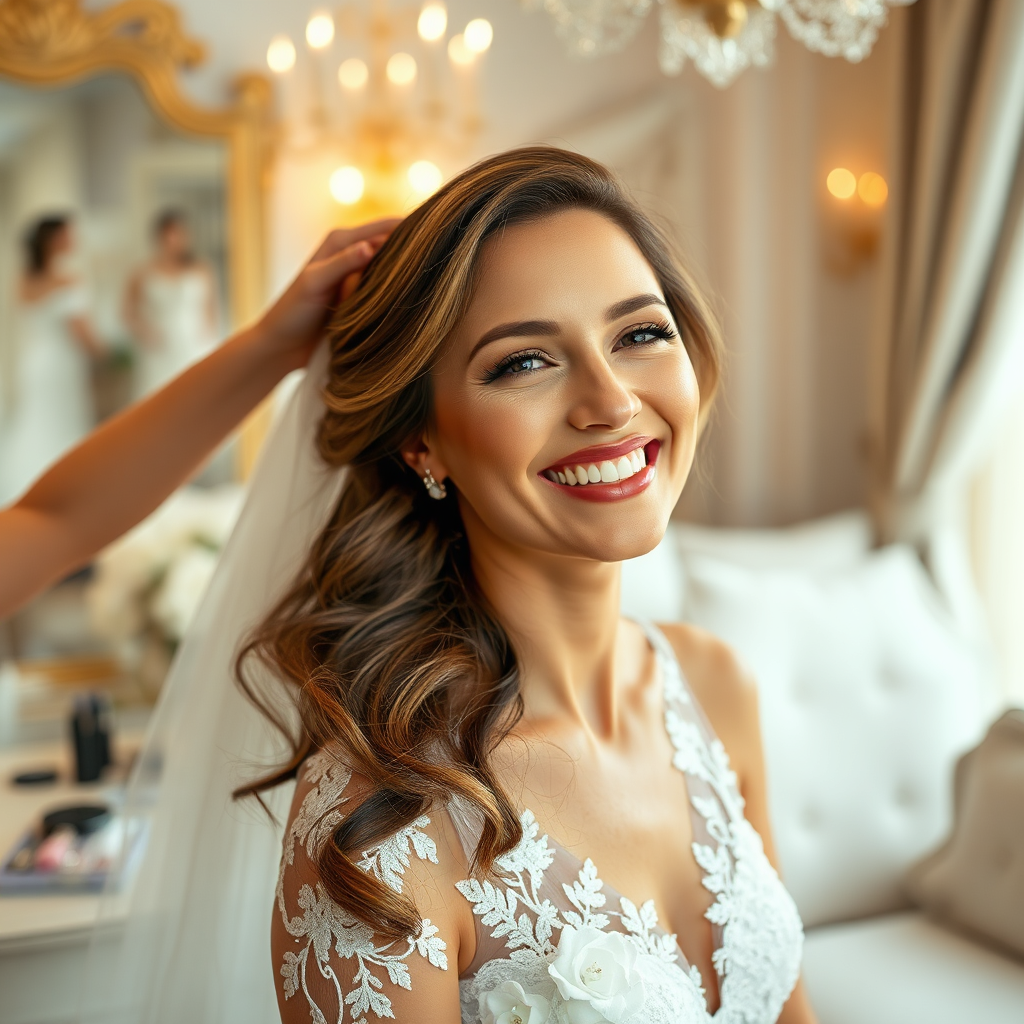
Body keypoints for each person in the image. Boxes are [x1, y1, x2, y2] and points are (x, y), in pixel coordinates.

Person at [89, 148, 815, 1024]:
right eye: (523, 363)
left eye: (639, 334)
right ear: (421, 442)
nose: (611, 402)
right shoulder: (376, 820)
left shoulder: (715, 686)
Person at [0, 219, 399, 620]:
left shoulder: (194, 274)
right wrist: (271, 349)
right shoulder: (134, 276)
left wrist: (273, 347)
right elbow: (60, 521)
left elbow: (58, 519)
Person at [0, 215, 103, 504]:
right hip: (60, 365)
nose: (74, 241)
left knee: (35, 422)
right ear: (55, 240)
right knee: (61, 423)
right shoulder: (68, 278)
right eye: (69, 235)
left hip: (33, 362)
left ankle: (26, 489)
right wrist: (105, 353)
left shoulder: (24, 279)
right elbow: (81, 332)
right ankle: (62, 493)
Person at [123, 209, 219, 397]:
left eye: (179, 234)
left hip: (195, 344)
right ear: (159, 237)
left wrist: (211, 344)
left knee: (196, 395)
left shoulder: (201, 269)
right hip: (159, 348)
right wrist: (145, 332)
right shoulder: (142, 273)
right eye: (169, 234)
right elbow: (128, 312)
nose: (173, 240)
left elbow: (210, 309)